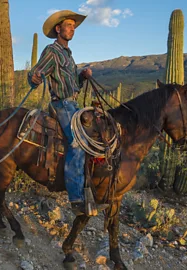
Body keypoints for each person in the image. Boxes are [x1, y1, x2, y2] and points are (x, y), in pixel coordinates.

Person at [28, 10, 108, 215]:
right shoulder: (52, 51)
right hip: (61, 105)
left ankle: (92, 189)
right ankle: (76, 199)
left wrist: (82, 76)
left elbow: (73, 84)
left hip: (73, 103)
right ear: (58, 29)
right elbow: (36, 72)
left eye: (74, 26)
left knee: (96, 136)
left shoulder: (68, 55)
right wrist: (35, 77)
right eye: (69, 25)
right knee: (76, 142)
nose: (73, 29)